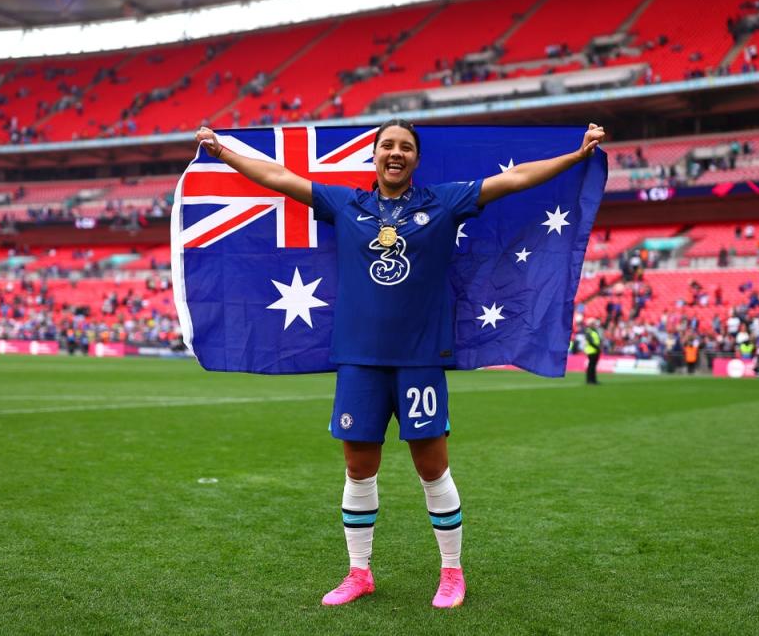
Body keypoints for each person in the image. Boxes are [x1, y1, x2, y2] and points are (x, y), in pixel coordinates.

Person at [194, 120, 604, 607]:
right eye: (387, 145)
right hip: (360, 359)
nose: (395, 153)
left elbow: (513, 180)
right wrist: (223, 153)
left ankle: (452, 572)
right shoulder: (345, 203)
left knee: (432, 469)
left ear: (415, 159)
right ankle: (359, 572)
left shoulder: (444, 202)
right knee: (357, 468)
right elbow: (278, 177)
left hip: (420, 359)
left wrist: (575, 157)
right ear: (374, 155)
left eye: (405, 147)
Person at [584, 319, 602, 384]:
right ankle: (590, 380)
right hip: (592, 351)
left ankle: (592, 380)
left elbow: (597, 340)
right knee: (591, 366)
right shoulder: (589, 331)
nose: (594, 325)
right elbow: (591, 342)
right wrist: (597, 348)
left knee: (592, 366)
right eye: (593, 324)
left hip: (595, 351)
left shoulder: (594, 331)